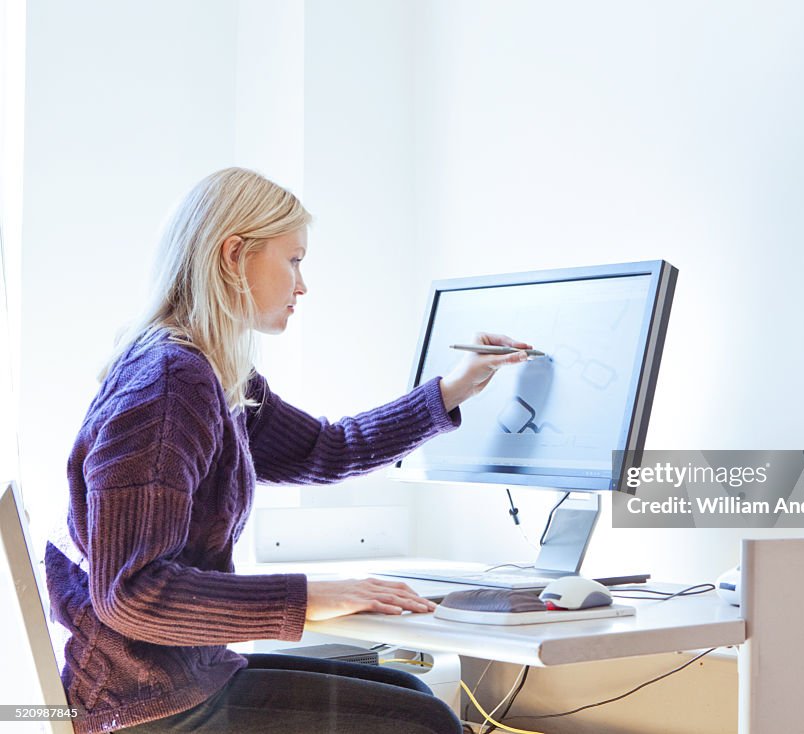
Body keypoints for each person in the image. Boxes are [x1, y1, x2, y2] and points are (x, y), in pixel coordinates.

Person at [44, 167, 532, 733]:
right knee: (424, 721)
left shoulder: (211, 372)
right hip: (140, 705)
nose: (303, 285)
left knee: (410, 692)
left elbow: (325, 450)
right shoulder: (169, 385)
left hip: (179, 675)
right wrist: (308, 597)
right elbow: (132, 594)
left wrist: (451, 389)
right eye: (294, 260)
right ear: (234, 255)